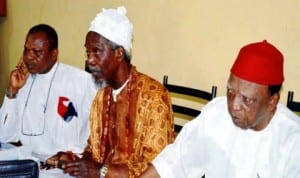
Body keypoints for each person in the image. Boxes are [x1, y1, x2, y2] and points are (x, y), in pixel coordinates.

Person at [139, 40, 300, 178]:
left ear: (272, 101)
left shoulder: (293, 141)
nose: (234, 106)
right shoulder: (216, 113)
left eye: (247, 99)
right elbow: (174, 161)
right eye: (230, 91)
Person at [61, 6, 174, 178]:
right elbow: (93, 151)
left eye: (97, 51)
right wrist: (71, 160)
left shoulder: (154, 97)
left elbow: (158, 169)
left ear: (119, 53)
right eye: (88, 52)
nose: (89, 60)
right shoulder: (101, 97)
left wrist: (101, 172)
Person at [0, 24, 98, 162]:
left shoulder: (81, 81)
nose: (28, 57)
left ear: (54, 54)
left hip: (63, 169)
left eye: (37, 52)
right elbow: (5, 136)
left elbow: (97, 132)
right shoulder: (22, 81)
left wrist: (72, 155)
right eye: (26, 50)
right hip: (27, 162)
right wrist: (12, 92)